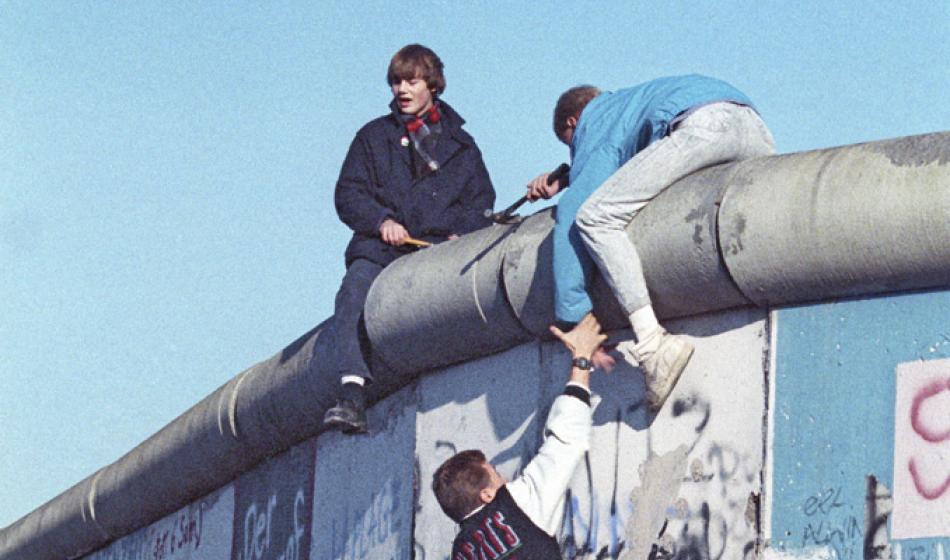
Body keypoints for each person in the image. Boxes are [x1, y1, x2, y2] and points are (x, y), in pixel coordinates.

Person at [526, 74, 775, 413]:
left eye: (570, 143)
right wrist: (568, 176)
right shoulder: (627, 105)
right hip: (753, 129)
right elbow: (640, 162)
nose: (575, 150)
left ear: (573, 122)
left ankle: (653, 345)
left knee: (595, 217)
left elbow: (574, 211)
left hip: (703, 128)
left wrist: (576, 317)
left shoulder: (594, 122)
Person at [324, 44, 496, 434]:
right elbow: (348, 194)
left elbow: (481, 201)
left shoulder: (463, 148)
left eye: (411, 81)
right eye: (396, 81)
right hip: (381, 249)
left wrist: (461, 234)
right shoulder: (372, 137)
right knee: (352, 294)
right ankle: (351, 393)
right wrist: (380, 220)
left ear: (431, 85)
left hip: (436, 252)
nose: (401, 89)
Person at [432, 313, 607, 558]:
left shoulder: (461, 552)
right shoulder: (516, 504)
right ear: (487, 494)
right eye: (496, 474)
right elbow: (566, 440)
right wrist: (581, 358)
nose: (505, 477)